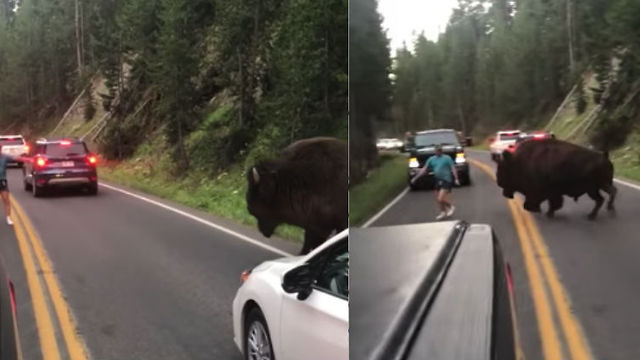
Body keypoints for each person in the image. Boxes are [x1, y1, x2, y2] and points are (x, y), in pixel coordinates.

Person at [410, 144, 460, 220]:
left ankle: (451, 207)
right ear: (435, 151)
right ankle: (443, 212)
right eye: (437, 150)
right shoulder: (431, 159)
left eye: (440, 150)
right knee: (438, 199)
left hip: (446, 180)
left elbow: (453, 168)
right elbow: (424, 170)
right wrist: (415, 178)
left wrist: (456, 178)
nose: (438, 152)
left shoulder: (447, 158)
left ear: (441, 151)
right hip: (438, 179)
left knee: (440, 198)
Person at [0, 146, 23, 225]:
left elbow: (17, 159)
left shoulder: (4, 157)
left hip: (2, 181)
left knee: (6, 199)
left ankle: (8, 218)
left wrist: (30, 160)